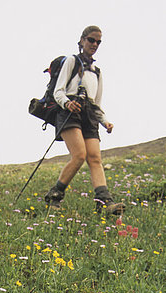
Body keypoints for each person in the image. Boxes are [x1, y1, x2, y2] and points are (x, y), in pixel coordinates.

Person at [44, 25, 125, 215]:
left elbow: (96, 103)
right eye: (91, 40)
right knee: (79, 155)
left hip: (89, 114)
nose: (94, 44)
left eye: (98, 42)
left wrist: (105, 121)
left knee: (95, 158)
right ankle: (54, 195)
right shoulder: (72, 61)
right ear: (82, 40)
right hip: (70, 111)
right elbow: (58, 91)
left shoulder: (97, 72)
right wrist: (66, 104)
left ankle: (104, 202)